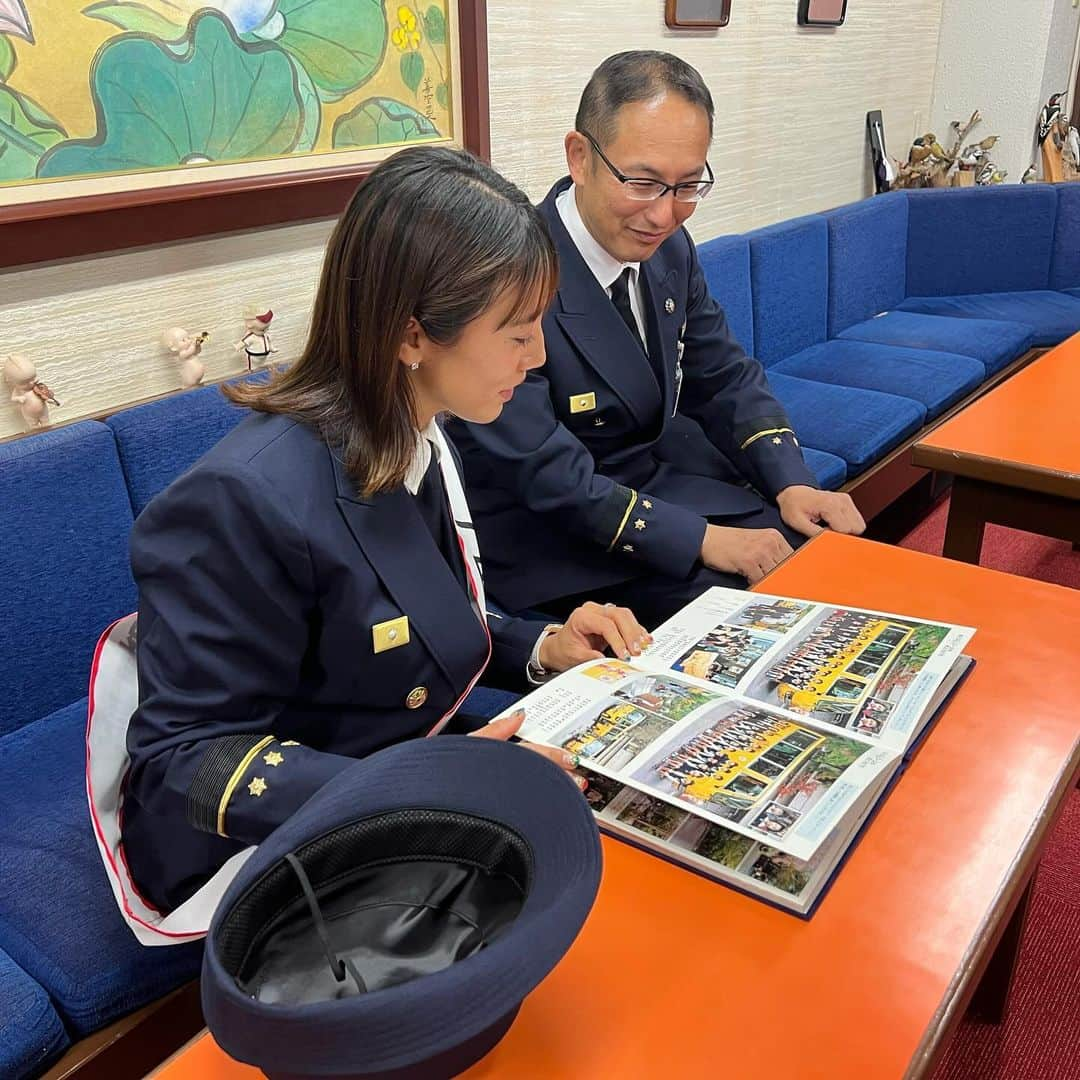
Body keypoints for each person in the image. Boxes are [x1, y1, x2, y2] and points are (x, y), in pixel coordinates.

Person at [88, 146, 648, 925]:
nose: (540, 356)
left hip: (390, 764)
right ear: (413, 336)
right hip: (264, 848)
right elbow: (183, 764)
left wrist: (543, 644)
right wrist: (430, 781)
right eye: (517, 332)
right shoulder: (244, 499)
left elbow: (392, 618)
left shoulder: (416, 430)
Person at [448, 51, 864, 628]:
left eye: (688, 185)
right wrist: (701, 540)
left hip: (650, 480)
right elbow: (544, 473)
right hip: (551, 531)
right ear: (580, 158)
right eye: (643, 183)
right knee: (759, 609)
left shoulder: (667, 247)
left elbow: (723, 375)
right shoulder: (510, 271)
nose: (666, 214)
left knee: (817, 547)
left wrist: (791, 480)